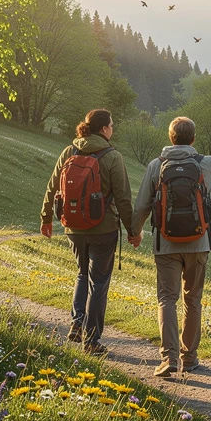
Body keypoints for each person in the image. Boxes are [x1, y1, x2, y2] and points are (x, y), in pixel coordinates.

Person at [132, 115, 211, 377]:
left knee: (167, 299)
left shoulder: (156, 166)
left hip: (165, 244)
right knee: (193, 300)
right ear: (192, 139)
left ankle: (168, 358)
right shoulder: (206, 164)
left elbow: (142, 204)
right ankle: (189, 358)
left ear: (171, 138)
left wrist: (135, 233)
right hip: (198, 242)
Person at [40, 108, 140, 355]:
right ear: (104, 129)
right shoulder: (112, 156)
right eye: (111, 125)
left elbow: (53, 187)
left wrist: (46, 218)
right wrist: (133, 230)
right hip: (103, 229)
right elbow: (124, 198)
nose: (112, 129)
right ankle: (92, 341)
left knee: (82, 273)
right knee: (99, 282)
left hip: (72, 227)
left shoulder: (69, 151)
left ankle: (77, 323)